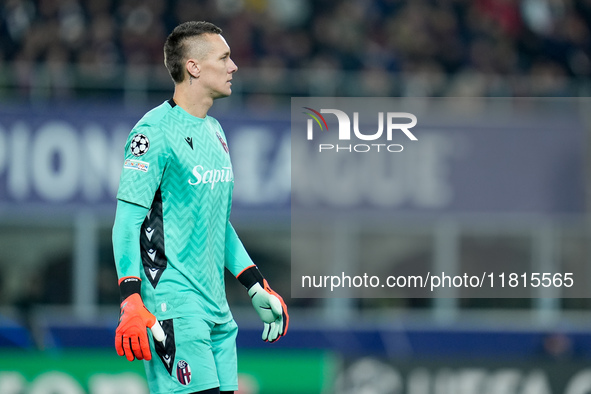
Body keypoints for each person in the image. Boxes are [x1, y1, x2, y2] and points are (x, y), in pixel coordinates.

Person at [111, 21, 289, 394]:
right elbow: (127, 222)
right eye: (224, 57)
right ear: (193, 66)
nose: (233, 66)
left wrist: (255, 285)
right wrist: (131, 298)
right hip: (173, 304)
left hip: (217, 309)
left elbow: (216, 223)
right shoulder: (152, 133)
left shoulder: (215, 132)